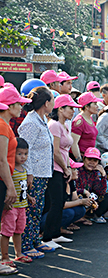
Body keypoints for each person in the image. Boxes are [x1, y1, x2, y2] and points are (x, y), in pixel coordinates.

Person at [18, 86, 56, 256]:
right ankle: (26, 245)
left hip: (43, 172)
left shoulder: (41, 120)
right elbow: (25, 152)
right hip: (34, 174)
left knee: (38, 209)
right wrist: (29, 174)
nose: (54, 103)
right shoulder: (31, 122)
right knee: (31, 210)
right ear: (46, 103)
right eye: (52, 100)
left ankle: (35, 240)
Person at [43, 94, 82, 248]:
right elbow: (55, 151)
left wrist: (68, 168)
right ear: (60, 108)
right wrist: (65, 168)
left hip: (62, 168)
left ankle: (55, 234)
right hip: (54, 168)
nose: (73, 111)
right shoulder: (54, 125)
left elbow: (64, 151)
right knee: (55, 202)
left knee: (59, 202)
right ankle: (47, 237)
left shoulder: (64, 125)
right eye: (70, 108)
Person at [0, 86, 28, 275]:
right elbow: (2, 159)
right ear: (9, 106)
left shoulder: (6, 125)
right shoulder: (2, 125)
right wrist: (10, 187)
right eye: (18, 103)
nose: (21, 107)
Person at [1, 138, 33, 268]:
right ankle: (4, 256)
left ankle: (18, 253)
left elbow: (22, 189)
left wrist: (29, 197)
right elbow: (6, 188)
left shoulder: (23, 170)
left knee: (19, 231)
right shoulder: (10, 170)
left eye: (25, 154)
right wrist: (5, 202)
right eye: (19, 154)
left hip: (22, 207)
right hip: (11, 207)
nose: (23, 157)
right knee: (6, 232)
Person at [40, 159, 91, 234]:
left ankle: (61, 227)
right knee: (69, 212)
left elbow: (75, 199)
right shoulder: (57, 183)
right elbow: (60, 205)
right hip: (46, 218)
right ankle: (49, 232)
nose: (77, 171)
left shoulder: (71, 182)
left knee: (80, 209)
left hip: (57, 213)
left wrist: (88, 203)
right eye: (74, 169)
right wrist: (81, 201)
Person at [75, 147, 108, 223]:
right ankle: (78, 218)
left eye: (95, 161)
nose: (92, 162)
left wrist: (103, 175)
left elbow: (101, 191)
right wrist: (84, 191)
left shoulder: (94, 173)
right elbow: (72, 188)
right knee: (80, 196)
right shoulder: (77, 170)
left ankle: (89, 216)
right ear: (84, 159)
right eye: (89, 159)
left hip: (88, 196)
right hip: (77, 196)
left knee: (104, 197)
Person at [71, 92, 103, 162]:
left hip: (89, 158)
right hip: (82, 158)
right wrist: (79, 160)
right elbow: (74, 143)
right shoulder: (79, 121)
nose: (97, 107)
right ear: (87, 107)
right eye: (94, 104)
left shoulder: (89, 117)